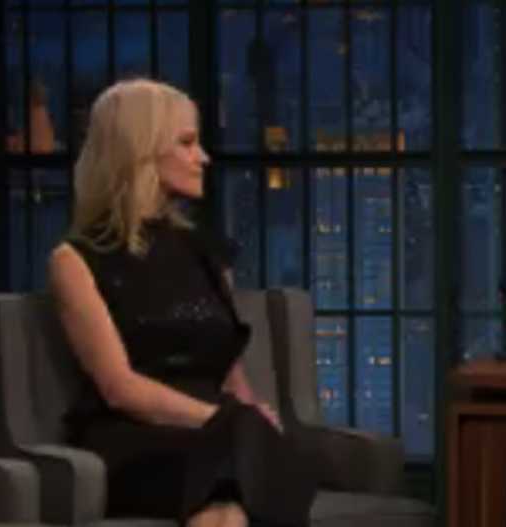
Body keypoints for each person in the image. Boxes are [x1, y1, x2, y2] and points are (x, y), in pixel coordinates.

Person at [49, 78, 318, 527]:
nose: (204, 158)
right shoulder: (74, 260)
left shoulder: (205, 252)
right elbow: (119, 388)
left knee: (234, 506)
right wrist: (229, 422)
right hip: (136, 436)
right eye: (188, 143)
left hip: (221, 434)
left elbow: (230, 368)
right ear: (140, 151)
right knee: (244, 474)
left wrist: (250, 414)